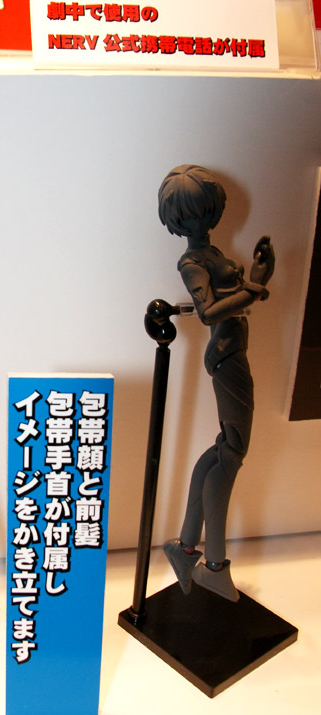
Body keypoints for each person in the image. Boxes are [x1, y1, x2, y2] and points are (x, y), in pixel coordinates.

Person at [157, 164, 274, 601]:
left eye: (205, 210)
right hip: (226, 357)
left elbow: (228, 299)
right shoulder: (191, 262)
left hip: (232, 353)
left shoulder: (210, 252)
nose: (201, 220)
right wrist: (254, 288)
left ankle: (187, 545)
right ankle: (215, 564)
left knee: (225, 446)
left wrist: (253, 281)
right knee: (233, 450)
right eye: (193, 214)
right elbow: (208, 312)